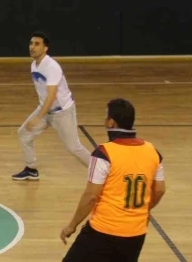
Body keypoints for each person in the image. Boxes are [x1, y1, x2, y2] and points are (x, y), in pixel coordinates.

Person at [60, 98, 166, 262]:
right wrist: (144, 209)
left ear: (111, 122)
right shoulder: (152, 151)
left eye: (106, 116)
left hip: (103, 231)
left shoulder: (103, 153)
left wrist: (71, 225)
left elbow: (91, 196)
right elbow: (159, 190)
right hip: (136, 233)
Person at [12, 31, 90, 181]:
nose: (32, 47)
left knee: (74, 147)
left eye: (37, 44)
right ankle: (31, 169)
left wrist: (38, 118)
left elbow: (52, 95)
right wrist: (41, 113)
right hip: (45, 109)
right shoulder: (34, 65)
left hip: (62, 112)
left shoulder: (51, 66)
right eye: (31, 43)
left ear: (45, 48)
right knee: (24, 134)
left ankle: (100, 171)